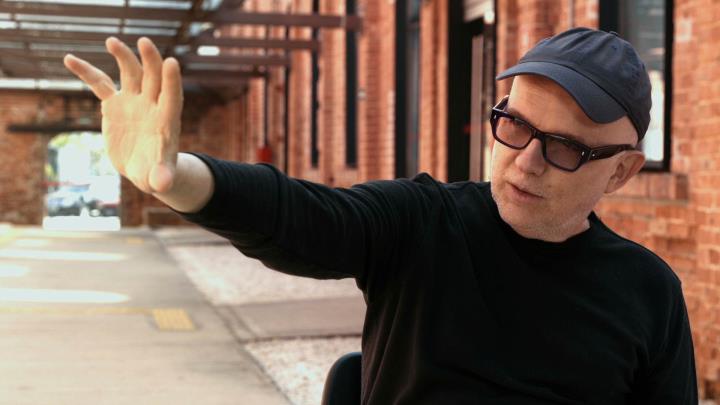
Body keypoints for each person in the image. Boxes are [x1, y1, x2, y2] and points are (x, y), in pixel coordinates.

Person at [64, 27, 698, 404]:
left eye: (563, 147)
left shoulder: (648, 292)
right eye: (513, 125)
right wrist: (180, 180)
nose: (526, 161)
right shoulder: (425, 222)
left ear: (620, 171)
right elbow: (309, 218)